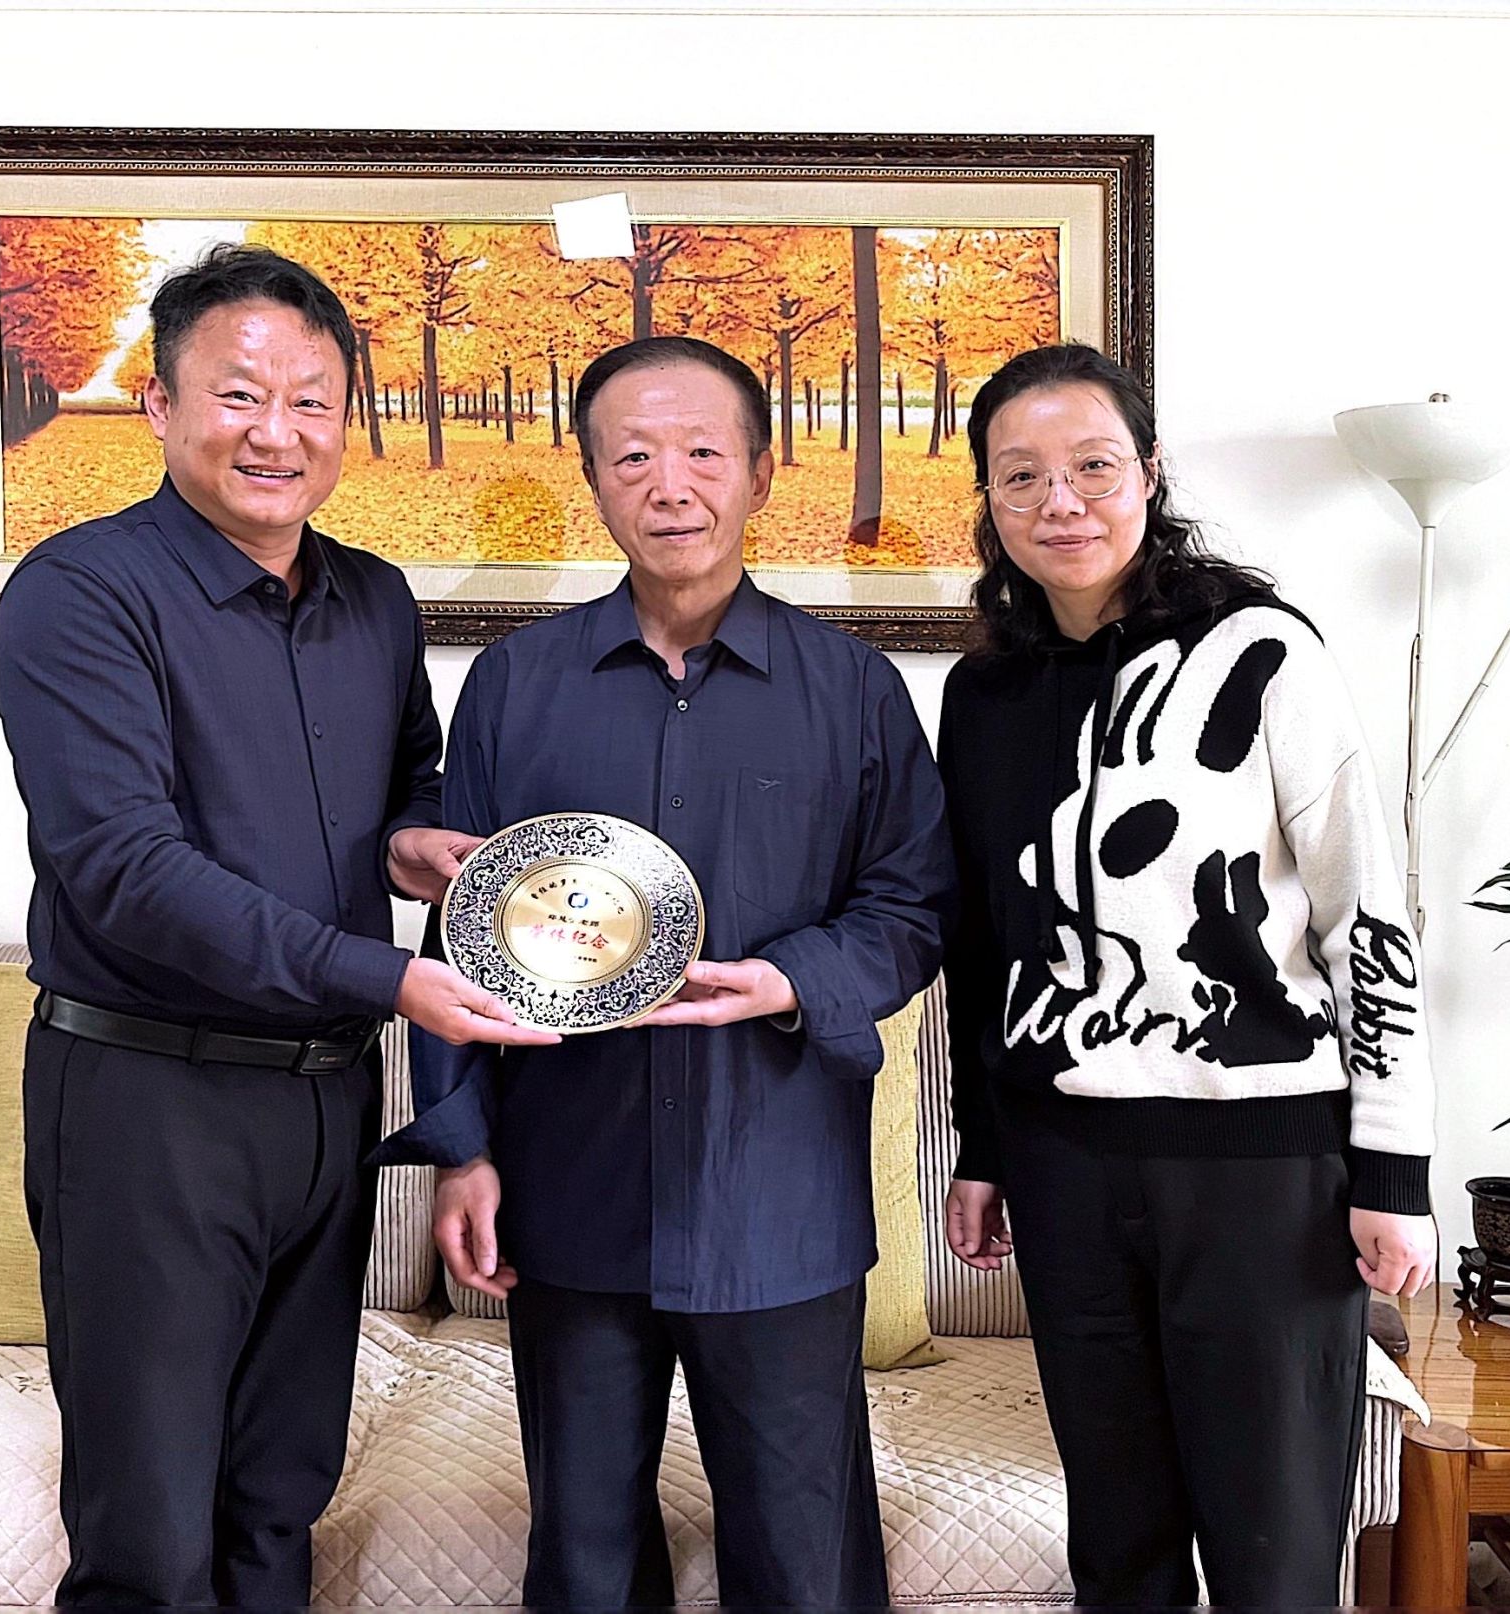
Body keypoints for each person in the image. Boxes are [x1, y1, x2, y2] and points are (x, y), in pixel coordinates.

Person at [0, 244, 555, 1609]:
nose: (276, 432)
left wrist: (413, 841)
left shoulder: (373, 597)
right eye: (239, 394)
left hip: (326, 1098)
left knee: (279, 1496)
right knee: (151, 1529)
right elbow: (121, 866)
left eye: (311, 400)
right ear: (160, 406)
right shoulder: (82, 593)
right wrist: (389, 974)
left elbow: (407, 784)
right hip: (148, 1100)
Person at [375, 336, 953, 1609]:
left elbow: (910, 907)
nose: (669, 484)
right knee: (583, 1558)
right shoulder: (516, 684)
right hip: (570, 1185)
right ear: (593, 480)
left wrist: (787, 979)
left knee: (802, 1565)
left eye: (701, 451)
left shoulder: (852, 690)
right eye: (632, 456)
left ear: (759, 472)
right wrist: (463, 1149)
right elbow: (465, 931)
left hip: (776, 1194)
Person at [937, 343, 1439, 1608]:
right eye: (1020, 476)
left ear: (1149, 472)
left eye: (1092, 466)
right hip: (1062, 1164)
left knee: (1273, 1554)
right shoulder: (985, 692)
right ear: (988, 498)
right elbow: (983, 942)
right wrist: (983, 1145)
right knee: (1118, 1547)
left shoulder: (1260, 653)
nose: (1059, 501)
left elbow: (1364, 912)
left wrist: (1391, 1171)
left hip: (1257, 1166)